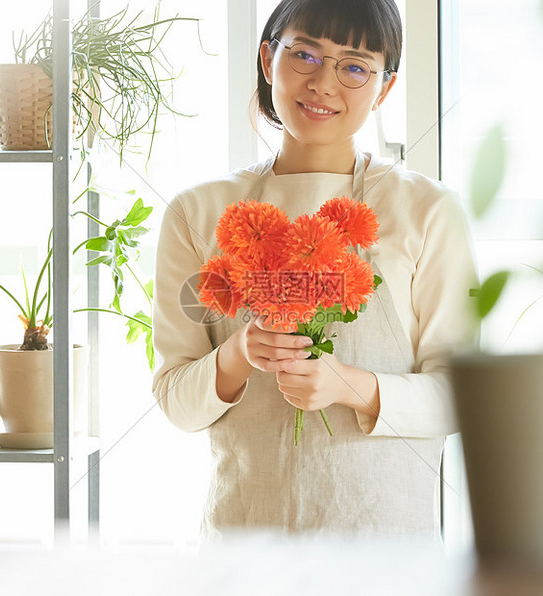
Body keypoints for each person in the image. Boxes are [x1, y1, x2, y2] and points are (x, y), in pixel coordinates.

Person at [152, 0, 477, 540]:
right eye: (304, 54)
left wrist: (348, 385)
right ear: (266, 59)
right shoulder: (197, 212)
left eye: (354, 66)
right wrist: (239, 352)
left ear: (385, 88)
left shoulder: (427, 210)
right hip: (244, 549)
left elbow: (460, 396)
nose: (324, 83)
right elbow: (176, 402)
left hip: (384, 552)